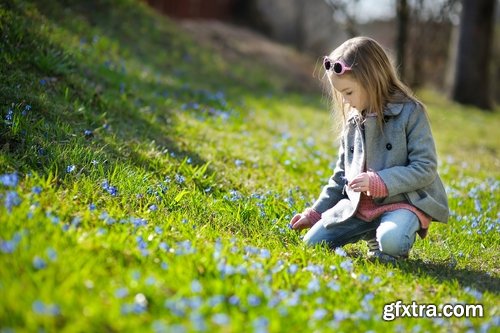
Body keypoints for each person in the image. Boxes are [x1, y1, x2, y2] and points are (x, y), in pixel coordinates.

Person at [289, 37, 449, 262]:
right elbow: (340, 178)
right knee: (313, 243)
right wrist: (315, 213)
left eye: (349, 92)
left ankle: (387, 238)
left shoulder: (411, 113)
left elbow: (425, 167)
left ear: (372, 80)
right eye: (341, 94)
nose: (345, 101)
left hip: (401, 204)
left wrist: (381, 182)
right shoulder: (354, 121)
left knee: (392, 241)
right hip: (358, 209)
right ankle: (371, 232)